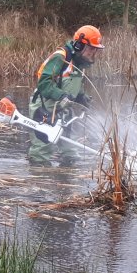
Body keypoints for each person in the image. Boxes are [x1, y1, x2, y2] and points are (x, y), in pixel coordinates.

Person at [27, 24, 103, 166]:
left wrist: (81, 97)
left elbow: (72, 84)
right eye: (91, 48)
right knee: (42, 149)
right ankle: (38, 181)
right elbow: (44, 83)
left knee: (70, 150)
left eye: (95, 49)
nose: (93, 53)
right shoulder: (60, 57)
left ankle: (67, 179)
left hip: (64, 110)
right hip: (45, 108)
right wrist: (61, 95)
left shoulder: (79, 63)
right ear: (80, 45)